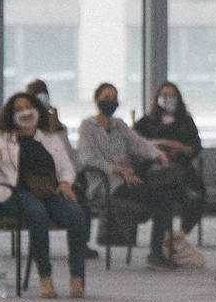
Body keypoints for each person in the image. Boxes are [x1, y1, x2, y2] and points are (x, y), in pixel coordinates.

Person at [0, 91, 90, 299]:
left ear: (37, 111)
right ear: (11, 115)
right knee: (38, 214)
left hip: (50, 190)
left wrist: (66, 182)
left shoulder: (51, 138)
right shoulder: (2, 138)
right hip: (15, 193)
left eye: (28, 107)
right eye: (19, 109)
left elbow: (67, 167)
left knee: (76, 214)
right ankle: (45, 276)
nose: (25, 112)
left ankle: (77, 276)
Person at [77, 81, 182, 270]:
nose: (111, 102)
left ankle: (159, 250)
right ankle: (156, 253)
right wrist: (115, 169)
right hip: (105, 184)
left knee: (165, 196)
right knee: (161, 199)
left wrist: (158, 154)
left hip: (128, 180)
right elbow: (87, 160)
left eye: (114, 98)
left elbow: (139, 143)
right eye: (106, 98)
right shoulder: (88, 126)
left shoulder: (119, 125)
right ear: (97, 99)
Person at [134, 81, 205, 263]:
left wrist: (174, 145)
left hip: (180, 169)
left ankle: (178, 235)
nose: (168, 100)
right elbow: (136, 145)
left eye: (172, 96)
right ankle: (160, 246)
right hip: (153, 171)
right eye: (164, 96)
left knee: (197, 194)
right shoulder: (147, 122)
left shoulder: (186, 122)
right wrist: (157, 146)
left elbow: (194, 148)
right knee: (164, 195)